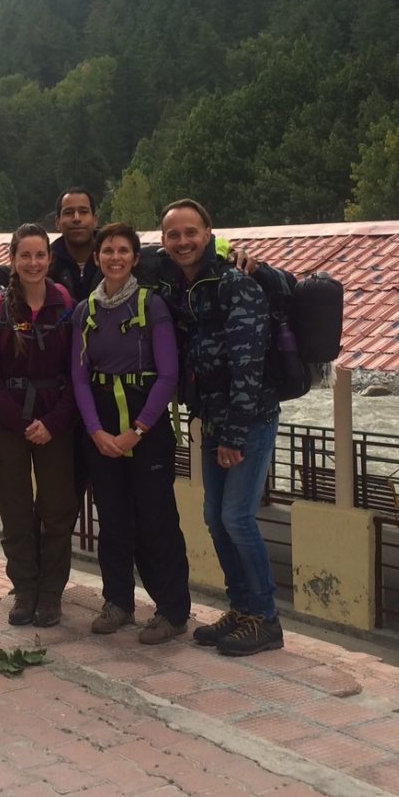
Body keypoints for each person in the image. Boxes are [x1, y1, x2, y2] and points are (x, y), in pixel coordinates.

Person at [160, 199, 285, 656]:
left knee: (236, 516)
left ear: (209, 231)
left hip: (247, 419)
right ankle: (242, 608)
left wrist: (234, 435)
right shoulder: (183, 287)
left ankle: (266, 619)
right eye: (173, 234)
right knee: (215, 517)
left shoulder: (236, 285)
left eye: (191, 232)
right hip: (212, 417)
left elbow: (248, 364)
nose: (182, 241)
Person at [70, 222, 191, 644]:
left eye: (123, 250)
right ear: (98, 257)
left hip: (147, 421)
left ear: (135, 258)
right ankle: (117, 601)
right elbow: (80, 378)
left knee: (157, 519)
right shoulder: (86, 311)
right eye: (107, 251)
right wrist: (97, 432)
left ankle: (172, 609)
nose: (115, 257)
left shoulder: (150, 305)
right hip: (101, 422)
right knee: (114, 519)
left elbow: (168, 374)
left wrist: (137, 430)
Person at [0, 223, 78, 628]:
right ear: (13, 260)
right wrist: (19, 423)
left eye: (40, 255)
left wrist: (53, 422)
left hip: (56, 423)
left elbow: (77, 372)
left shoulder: (67, 306)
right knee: (15, 510)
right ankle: (25, 589)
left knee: (57, 510)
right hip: (8, 424)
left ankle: (51, 594)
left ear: (49, 260)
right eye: (25, 256)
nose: (33, 263)